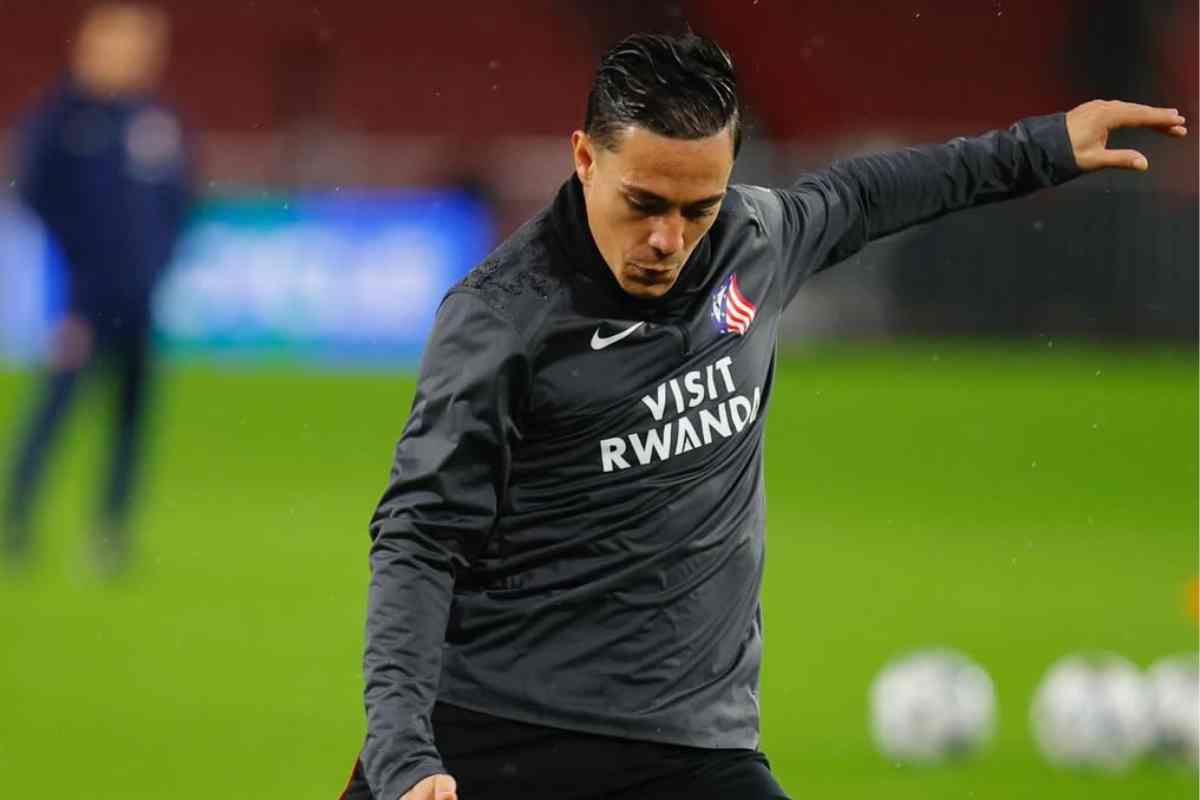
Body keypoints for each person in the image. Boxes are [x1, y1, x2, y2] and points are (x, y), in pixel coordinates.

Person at [341, 32, 1186, 800]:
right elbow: (420, 534)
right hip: (495, 729)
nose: (670, 239)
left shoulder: (754, 240)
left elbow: (867, 192)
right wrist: (404, 751)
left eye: (696, 209)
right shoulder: (502, 319)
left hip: (688, 746)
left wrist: (1042, 147)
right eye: (644, 204)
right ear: (583, 159)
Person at [2, 3, 191, 576]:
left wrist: (154, 263)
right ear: (87, 45)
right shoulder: (61, 118)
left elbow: (180, 200)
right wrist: (77, 279)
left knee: (131, 420)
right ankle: (16, 519)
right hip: (82, 300)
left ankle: (110, 531)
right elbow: (34, 196)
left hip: (139, 299)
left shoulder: (155, 120)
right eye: (122, 42)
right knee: (54, 410)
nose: (133, 55)